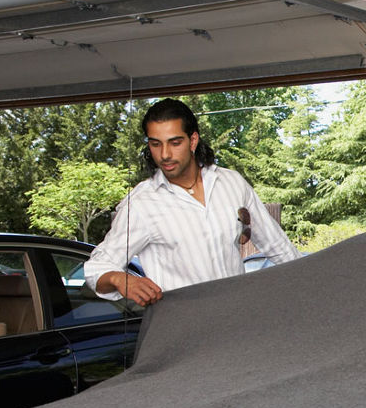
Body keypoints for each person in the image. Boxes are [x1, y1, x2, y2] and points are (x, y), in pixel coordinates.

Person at [85, 98, 301, 306]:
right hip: (180, 328)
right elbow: (97, 268)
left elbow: (277, 245)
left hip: (237, 318)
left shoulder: (231, 183)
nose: (165, 155)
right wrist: (120, 279)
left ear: (193, 140)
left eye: (175, 142)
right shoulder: (142, 204)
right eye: (155, 144)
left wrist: (313, 283)